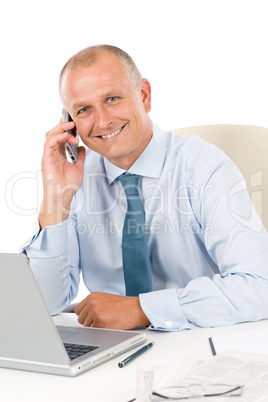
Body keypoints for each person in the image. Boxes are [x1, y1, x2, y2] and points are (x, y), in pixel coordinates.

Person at [22, 44, 268, 331]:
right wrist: (56, 199)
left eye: (112, 98)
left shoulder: (205, 169)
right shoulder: (76, 181)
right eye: (84, 109)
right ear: (70, 122)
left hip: (197, 342)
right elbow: (42, 305)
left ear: (144, 95)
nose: (102, 121)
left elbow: (260, 285)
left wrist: (143, 310)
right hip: (107, 349)